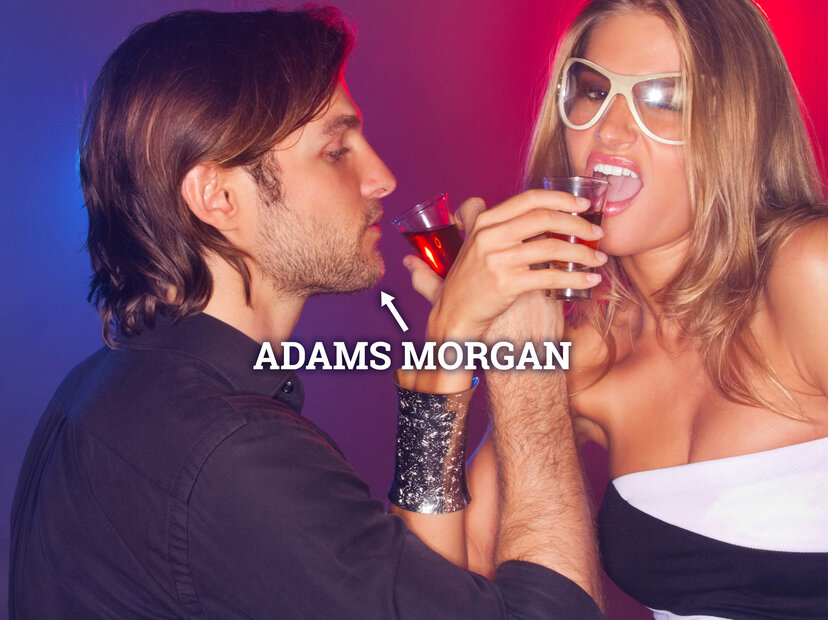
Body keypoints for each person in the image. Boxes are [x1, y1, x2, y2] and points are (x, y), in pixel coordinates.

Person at [9, 8, 606, 619]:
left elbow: (427, 591)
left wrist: (446, 361)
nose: (382, 178)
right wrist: (529, 368)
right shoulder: (229, 452)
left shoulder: (112, 391)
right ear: (218, 197)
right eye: (336, 151)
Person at [403, 0, 828, 618]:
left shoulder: (809, 273)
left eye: (665, 98)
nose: (610, 130)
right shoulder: (582, 355)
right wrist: (450, 343)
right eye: (594, 92)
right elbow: (434, 587)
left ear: (742, 122)